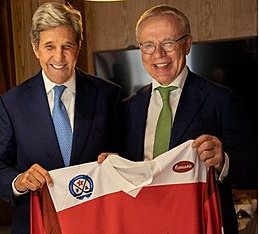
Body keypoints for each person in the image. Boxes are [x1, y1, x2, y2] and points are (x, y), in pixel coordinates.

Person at [98, 5, 257, 234]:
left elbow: (252, 171)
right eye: (148, 45)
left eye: (169, 42)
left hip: (202, 226)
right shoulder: (127, 108)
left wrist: (223, 161)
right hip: (144, 224)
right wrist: (114, 165)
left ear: (187, 44)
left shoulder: (222, 100)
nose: (158, 54)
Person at [0, 2, 121, 233]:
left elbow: (128, 156)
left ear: (78, 46)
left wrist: (118, 162)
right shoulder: (12, 103)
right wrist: (19, 181)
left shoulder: (109, 95)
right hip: (36, 226)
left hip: (96, 224)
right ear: (35, 48)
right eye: (49, 46)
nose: (59, 56)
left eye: (67, 46)